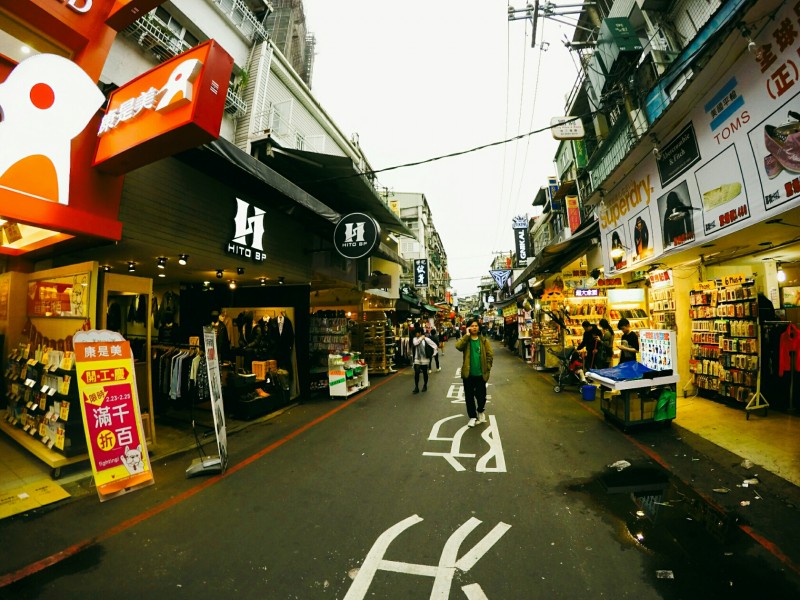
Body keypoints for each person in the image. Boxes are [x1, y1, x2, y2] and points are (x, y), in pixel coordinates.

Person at [455, 318, 494, 427]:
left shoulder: (484, 341)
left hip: (481, 374)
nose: (474, 327)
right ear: (468, 328)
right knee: (469, 396)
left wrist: (487, 368)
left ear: (479, 327)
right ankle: (472, 417)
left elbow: (490, 355)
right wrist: (466, 335)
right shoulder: (466, 341)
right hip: (468, 374)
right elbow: (458, 346)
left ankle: (480, 411)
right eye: (471, 326)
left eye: (476, 325)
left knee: (481, 396)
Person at [412, 324, 438, 393]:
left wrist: (434, 354)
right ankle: (416, 387)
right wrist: (421, 338)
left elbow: (435, 346)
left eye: (417, 332)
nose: (416, 334)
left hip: (424, 359)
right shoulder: (415, 339)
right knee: (416, 373)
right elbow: (415, 343)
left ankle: (425, 385)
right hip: (417, 358)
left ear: (420, 332)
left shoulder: (426, 339)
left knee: (424, 373)